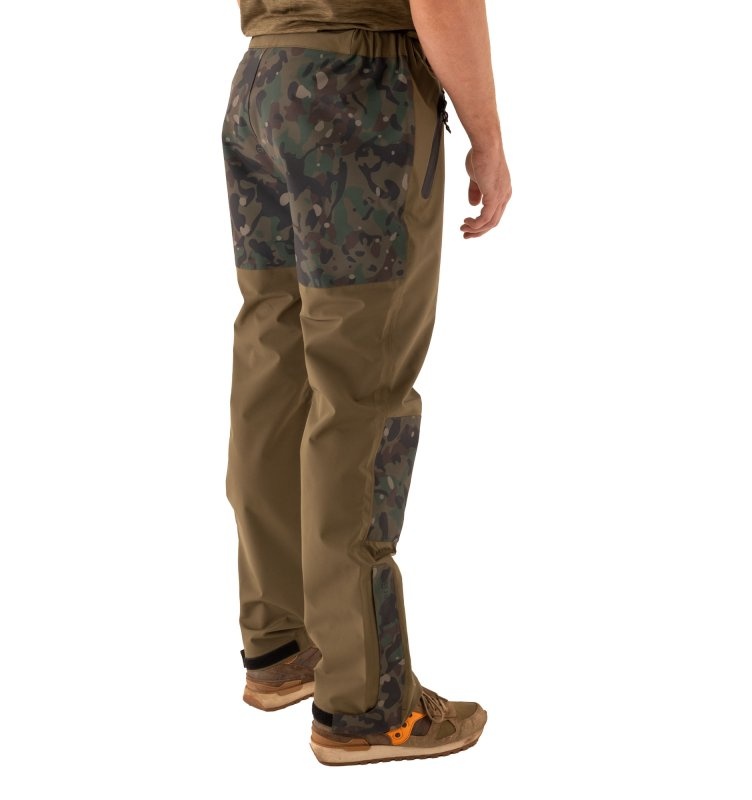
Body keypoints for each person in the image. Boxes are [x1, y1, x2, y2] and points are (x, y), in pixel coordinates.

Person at [221, 0, 511, 766]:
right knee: (361, 389)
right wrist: (487, 138)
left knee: (272, 369)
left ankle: (279, 643)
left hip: (262, 82)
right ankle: (365, 702)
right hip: (357, 92)